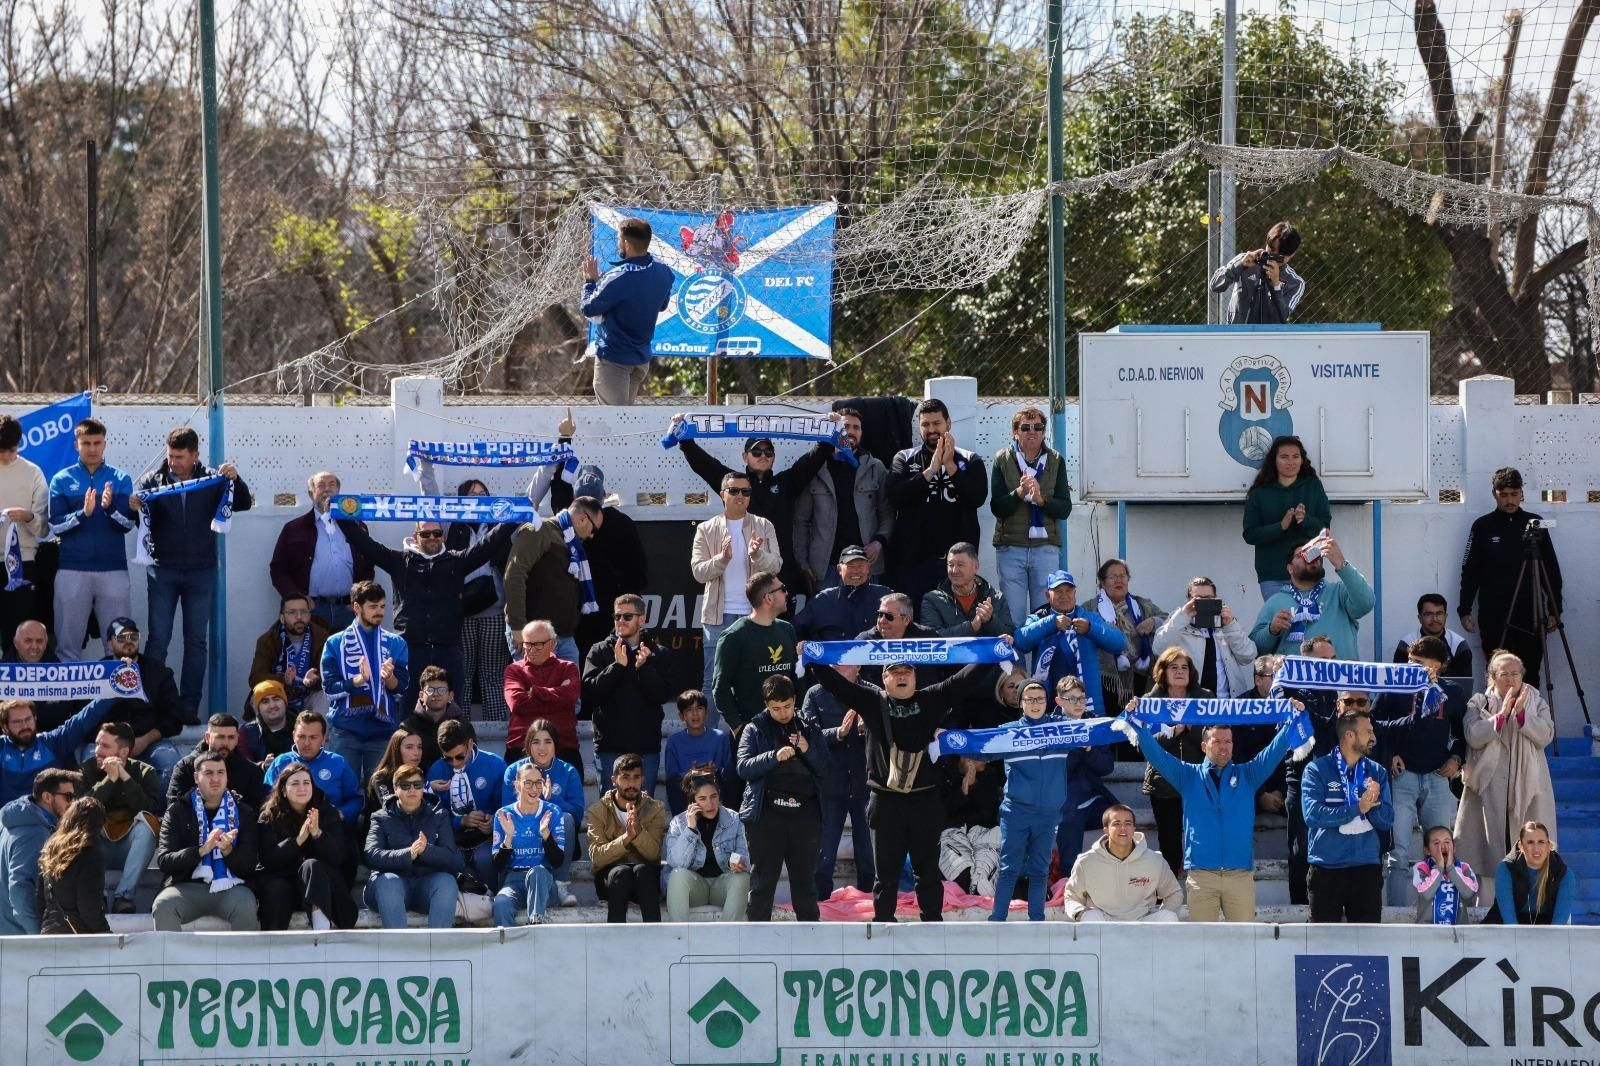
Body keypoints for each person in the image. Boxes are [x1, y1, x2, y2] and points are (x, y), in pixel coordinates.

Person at [810, 659, 993, 922]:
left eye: (907, 671)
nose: (901, 676)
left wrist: (994, 652)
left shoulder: (931, 699)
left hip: (925, 800)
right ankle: (884, 925)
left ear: (916, 677)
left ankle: (932, 926)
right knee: (884, 876)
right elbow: (836, 684)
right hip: (885, 802)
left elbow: (963, 680)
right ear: (884, 679)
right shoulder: (871, 700)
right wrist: (815, 658)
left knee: (928, 873)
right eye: (894, 672)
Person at [1125, 696, 1304, 921]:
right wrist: (1136, 722)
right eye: (1217, 741)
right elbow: (1156, 755)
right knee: (1203, 946)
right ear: (1204, 745)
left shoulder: (1248, 775)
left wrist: (1293, 718)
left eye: (1228, 741)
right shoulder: (1188, 775)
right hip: (1201, 875)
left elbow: (1275, 750)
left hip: (1239, 874)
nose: (1224, 747)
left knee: (1244, 943)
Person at [338, 516, 518, 711]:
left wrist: (517, 515)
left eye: (437, 533)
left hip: (448, 649)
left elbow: (489, 543)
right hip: (410, 650)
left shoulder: (456, 561)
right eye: (425, 534)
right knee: (406, 713)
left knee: (452, 714)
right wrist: (339, 515)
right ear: (415, 536)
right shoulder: (399, 561)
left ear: (443, 537)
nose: (432, 537)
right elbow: (365, 544)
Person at [134, 426, 252, 720]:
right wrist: (134, 506)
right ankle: (153, 703)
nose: (174, 462)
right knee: (158, 640)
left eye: (180, 457)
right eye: (171, 456)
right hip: (162, 570)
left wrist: (236, 479)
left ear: (195, 455)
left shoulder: (212, 479)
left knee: (196, 641)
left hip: (201, 571)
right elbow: (141, 525)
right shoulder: (152, 480)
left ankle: (188, 707)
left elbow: (243, 503)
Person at [672, 416, 834, 600]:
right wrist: (685, 440)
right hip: (742, 572)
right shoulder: (734, 484)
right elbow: (705, 465)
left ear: (774, 457)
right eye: (756, 452)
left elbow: (812, 460)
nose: (763, 456)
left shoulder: (787, 483)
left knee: (780, 626)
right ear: (745, 456)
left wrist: (829, 430)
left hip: (779, 571)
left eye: (768, 452)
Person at [1454, 650, 1557, 910]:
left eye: (1515, 674)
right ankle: (1487, 911)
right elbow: (1473, 735)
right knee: (1488, 855)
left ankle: (1531, 909)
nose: (1510, 679)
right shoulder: (1479, 703)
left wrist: (1522, 715)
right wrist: (1500, 717)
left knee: (1531, 852)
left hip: (1529, 789)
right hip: (1488, 790)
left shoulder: (1536, 701)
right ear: (1492, 677)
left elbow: (1545, 735)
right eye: (1504, 674)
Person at [1376, 636, 1466, 907]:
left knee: (1441, 852)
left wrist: (1457, 758)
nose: (1410, 666)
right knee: (1398, 853)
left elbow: (1464, 735)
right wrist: (1390, 754)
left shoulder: (1453, 692)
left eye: (1418, 662)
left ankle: (1438, 911)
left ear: (1438, 666)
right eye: (1409, 661)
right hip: (1401, 778)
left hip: (1438, 778)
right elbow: (1375, 725)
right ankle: (1396, 914)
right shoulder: (1393, 688)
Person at [737, 675, 832, 921]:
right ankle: (758, 946)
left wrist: (807, 749)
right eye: (775, 708)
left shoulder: (810, 727)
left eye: (787, 706)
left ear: (795, 700)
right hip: (766, 815)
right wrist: (773, 756)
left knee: (805, 884)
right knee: (762, 884)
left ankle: (811, 944)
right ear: (766, 705)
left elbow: (826, 769)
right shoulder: (754, 728)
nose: (782, 713)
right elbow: (743, 767)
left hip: (805, 815)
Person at [1459, 467, 1564, 689]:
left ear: (1522, 493)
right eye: (1503, 494)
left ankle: (1530, 722)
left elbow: (1551, 571)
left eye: (1514, 494)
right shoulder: (1482, 526)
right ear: (1494, 494)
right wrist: (1464, 608)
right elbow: (1470, 570)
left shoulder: (1535, 523)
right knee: (1499, 673)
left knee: (1530, 674)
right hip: (1494, 615)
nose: (1509, 500)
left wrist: (1555, 609)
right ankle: (1500, 722)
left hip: (1531, 613)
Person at [692, 472, 782, 729]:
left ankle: (760, 737)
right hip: (717, 618)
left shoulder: (764, 525)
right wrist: (722, 558)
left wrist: (757, 555)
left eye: (746, 491)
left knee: (760, 679)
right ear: (722, 494)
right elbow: (698, 572)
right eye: (734, 491)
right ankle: (709, 743)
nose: (740, 496)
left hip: (756, 616)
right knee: (713, 681)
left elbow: (775, 566)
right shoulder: (706, 529)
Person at [977, 679, 1073, 922]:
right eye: (1029, 699)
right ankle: (998, 919)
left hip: (1049, 813)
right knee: (1009, 867)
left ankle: (1037, 920)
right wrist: (946, 740)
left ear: (1048, 702)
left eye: (1040, 698)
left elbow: (1092, 727)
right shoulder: (1009, 731)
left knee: (1040, 869)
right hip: (1016, 811)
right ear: (1020, 703)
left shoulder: (1061, 728)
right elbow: (979, 747)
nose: (1035, 703)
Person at [47, 417, 136, 660]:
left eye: (97, 442)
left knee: (120, 647)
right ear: (76, 444)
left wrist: (108, 509)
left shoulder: (121, 478)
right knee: (68, 646)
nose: (92, 448)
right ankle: (68, 699)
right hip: (72, 570)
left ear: (105, 444)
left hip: (113, 571)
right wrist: (83, 514)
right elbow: (55, 526)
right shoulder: (61, 480)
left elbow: (128, 524)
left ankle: (118, 698)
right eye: (86, 443)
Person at [547, 450, 649, 658]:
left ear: (575, 498)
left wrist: (564, 441)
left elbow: (557, 491)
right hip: (613, 615)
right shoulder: (623, 524)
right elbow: (640, 575)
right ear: (604, 495)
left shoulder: (566, 521)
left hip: (577, 615)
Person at [888, 398, 987, 610]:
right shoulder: (904, 459)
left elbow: (977, 498)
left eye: (937, 423)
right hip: (913, 562)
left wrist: (950, 466)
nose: (931, 430)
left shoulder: (970, 460)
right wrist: (930, 471)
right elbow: (895, 496)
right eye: (925, 424)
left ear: (948, 424)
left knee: (956, 621)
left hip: (955, 564)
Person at [1302, 708, 1394, 923]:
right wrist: (1357, 808)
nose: (1373, 737)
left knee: (1367, 948)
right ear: (1350, 736)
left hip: (1366, 869)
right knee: (1322, 946)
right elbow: (1312, 815)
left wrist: (1375, 805)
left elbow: (1387, 820)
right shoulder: (1316, 769)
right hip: (1326, 868)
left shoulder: (1377, 771)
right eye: (1368, 732)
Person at [153, 751, 260, 931]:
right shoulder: (177, 811)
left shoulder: (244, 812)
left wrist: (228, 852)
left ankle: (242, 959)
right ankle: (171, 960)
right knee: (163, 905)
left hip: (231, 887)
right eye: (209, 773)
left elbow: (249, 865)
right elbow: (164, 861)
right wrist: (201, 850)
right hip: (187, 885)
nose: (216, 779)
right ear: (196, 777)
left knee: (246, 905)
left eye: (221, 773)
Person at [792, 407, 894, 590]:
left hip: (866, 565)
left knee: (868, 618)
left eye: (857, 427)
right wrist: (803, 564)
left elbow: (888, 513)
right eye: (845, 426)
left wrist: (879, 542)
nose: (852, 431)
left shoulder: (875, 467)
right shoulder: (815, 468)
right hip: (825, 567)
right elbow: (801, 521)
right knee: (827, 619)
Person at [320, 580, 410, 784]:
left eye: (382, 607)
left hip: (382, 731)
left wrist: (390, 679)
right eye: (372, 607)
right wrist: (358, 680)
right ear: (356, 607)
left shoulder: (396, 643)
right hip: (345, 731)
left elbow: (403, 689)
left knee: (380, 794)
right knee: (342, 790)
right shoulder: (335, 643)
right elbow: (329, 689)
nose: (379, 612)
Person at [582, 215, 674, 404]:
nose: (618, 245)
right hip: (640, 360)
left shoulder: (618, 276)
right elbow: (662, 304)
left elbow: (588, 308)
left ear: (626, 244)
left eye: (618, 241)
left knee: (614, 424)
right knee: (626, 418)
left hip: (614, 359)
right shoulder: (664, 273)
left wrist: (590, 282)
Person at [990, 406, 1072, 619]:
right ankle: (1016, 655)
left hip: (1045, 549)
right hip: (1011, 548)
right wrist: (1019, 493)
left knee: (1045, 618)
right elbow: (997, 507)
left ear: (1044, 432)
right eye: (1025, 427)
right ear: (1014, 432)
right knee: (1014, 618)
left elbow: (1065, 508)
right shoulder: (1002, 459)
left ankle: (1042, 654)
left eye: (1038, 427)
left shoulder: (1055, 460)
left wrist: (1041, 500)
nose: (1032, 431)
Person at [584, 594, 671, 796]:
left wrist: (645, 668)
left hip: (646, 747)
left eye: (627, 616)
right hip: (609, 747)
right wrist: (617, 667)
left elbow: (662, 695)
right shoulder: (599, 651)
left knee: (645, 814)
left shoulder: (659, 653)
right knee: (610, 814)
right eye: (617, 616)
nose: (620, 621)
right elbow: (589, 694)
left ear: (642, 619)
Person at [503, 497, 604, 668]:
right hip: (533, 638)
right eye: (593, 529)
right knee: (534, 694)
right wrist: (518, 627)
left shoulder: (572, 545)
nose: (592, 535)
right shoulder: (540, 530)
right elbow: (514, 575)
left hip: (564, 637)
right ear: (582, 519)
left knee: (571, 695)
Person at [255, 761, 356, 930]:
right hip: (285, 885)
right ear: (283, 790)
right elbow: (267, 860)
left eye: (306, 783)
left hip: (322, 886)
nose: (302, 788)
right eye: (295, 783)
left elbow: (338, 858)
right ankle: (272, 947)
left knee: (312, 866)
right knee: (276, 888)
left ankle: (321, 930)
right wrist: (298, 841)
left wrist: (317, 834)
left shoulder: (327, 812)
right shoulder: (268, 816)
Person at [268, 471, 373, 632]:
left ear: (338, 491)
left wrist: (360, 597)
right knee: (312, 657)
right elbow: (278, 569)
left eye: (332, 485)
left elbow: (368, 565)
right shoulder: (294, 529)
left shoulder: (357, 527)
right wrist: (297, 597)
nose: (327, 490)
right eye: (321, 485)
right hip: (312, 611)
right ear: (311, 494)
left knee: (349, 656)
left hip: (349, 610)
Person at [445, 478, 514, 722]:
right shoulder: (455, 526)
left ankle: (496, 724)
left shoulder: (498, 527)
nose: (480, 498)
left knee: (493, 674)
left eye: (484, 493)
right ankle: (459, 725)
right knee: (462, 673)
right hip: (463, 612)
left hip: (494, 610)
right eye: (473, 494)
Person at [801, 667, 872, 900]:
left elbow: (890, 734)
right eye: (834, 663)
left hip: (865, 781)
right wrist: (838, 733)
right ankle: (820, 901)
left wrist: (867, 728)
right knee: (825, 848)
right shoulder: (815, 694)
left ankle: (870, 899)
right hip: (830, 782)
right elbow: (806, 738)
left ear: (858, 666)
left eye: (845, 662)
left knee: (867, 848)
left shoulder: (872, 692)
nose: (837, 667)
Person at [363, 763, 463, 929]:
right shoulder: (380, 817)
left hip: (423, 888)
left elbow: (451, 858)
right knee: (390, 882)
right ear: (395, 788)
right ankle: (399, 951)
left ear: (423, 787)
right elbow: (371, 855)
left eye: (417, 785)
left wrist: (425, 851)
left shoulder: (439, 815)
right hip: (387, 889)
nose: (412, 790)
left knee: (446, 882)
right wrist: (408, 854)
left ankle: (438, 948)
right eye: (405, 785)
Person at [1137, 647, 1208, 878]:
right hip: (1163, 781)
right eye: (1174, 667)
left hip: (1198, 778)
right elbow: (1143, 745)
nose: (1180, 672)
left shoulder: (1205, 698)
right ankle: (1170, 890)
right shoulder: (1148, 702)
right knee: (1169, 838)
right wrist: (1174, 730)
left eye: (1184, 667)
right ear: (1163, 672)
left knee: (1201, 834)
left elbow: (1217, 739)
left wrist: (1192, 726)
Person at [78, 721, 160, 914]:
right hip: (99, 849)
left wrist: (125, 777)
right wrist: (109, 779)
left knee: (147, 826)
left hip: (130, 850)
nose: (97, 750)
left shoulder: (145, 772)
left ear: (123, 752)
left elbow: (150, 809)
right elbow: (80, 811)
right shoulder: (86, 770)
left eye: (105, 746)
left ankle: (124, 897)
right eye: (97, 744)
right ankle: (97, 895)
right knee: (86, 821)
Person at [1012, 571, 1122, 716]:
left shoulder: (1089, 618)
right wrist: (1051, 623)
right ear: (1047, 596)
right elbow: (1020, 642)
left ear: (1075, 593)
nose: (1064, 595)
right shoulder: (1038, 618)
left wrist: (1091, 629)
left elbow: (1119, 643)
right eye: (1058, 591)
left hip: (1086, 705)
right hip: (1047, 705)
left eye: (1069, 590)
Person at [1251, 534, 1374, 660]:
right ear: (1290, 568)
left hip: (1340, 677)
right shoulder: (1275, 602)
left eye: (1313, 553)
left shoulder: (1339, 592)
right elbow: (1255, 649)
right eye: (1301, 555)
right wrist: (1271, 630)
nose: (1309, 558)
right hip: (1296, 679)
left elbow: (1367, 603)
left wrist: (1342, 564)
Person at [501, 720, 583, 907]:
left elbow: (577, 814)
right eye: (536, 742)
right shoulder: (513, 771)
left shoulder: (568, 771)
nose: (542, 748)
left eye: (548, 741)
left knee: (567, 818)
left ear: (555, 745)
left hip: (553, 834)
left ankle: (560, 884)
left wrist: (551, 800)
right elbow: (506, 811)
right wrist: (534, 802)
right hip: (522, 830)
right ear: (528, 745)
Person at [99, 616, 185, 791]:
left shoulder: (158, 672)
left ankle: (156, 816)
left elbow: (175, 718)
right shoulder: (96, 671)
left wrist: (145, 740)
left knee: (169, 761)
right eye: (121, 638)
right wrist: (113, 744)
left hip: (148, 741)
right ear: (110, 643)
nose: (128, 642)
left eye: (133, 636)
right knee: (89, 759)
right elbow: (85, 718)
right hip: (108, 742)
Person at [1241, 434, 1330, 601]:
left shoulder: (1313, 486)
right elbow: (1250, 534)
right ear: (1274, 460)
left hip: (1309, 572)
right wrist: (1280, 526)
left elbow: (1325, 529)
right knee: (1282, 622)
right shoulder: (1259, 492)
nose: (1291, 462)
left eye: (1296, 456)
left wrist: (1306, 520)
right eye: (1284, 457)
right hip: (1273, 575)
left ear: (1302, 460)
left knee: (1311, 623)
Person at [1063, 804, 1183, 923]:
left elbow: (1174, 892)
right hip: (1103, 922)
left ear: (1134, 828)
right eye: (1116, 824)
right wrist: (1080, 912)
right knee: (1090, 917)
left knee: (1168, 917)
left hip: (1143, 922)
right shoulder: (1086, 861)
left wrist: (1165, 910)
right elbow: (1071, 896)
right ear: (1106, 830)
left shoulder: (1155, 860)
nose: (1123, 828)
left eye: (1128, 823)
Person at [711, 571, 798, 734]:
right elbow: (720, 687)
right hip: (752, 732)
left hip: (789, 730)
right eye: (782, 589)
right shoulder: (734, 636)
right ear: (768, 598)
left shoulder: (787, 630)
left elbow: (796, 677)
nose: (787, 593)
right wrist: (738, 727)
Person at [426, 719, 508, 890]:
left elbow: (507, 806)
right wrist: (460, 821)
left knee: (487, 860)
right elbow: (432, 817)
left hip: (487, 839)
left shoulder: (495, 764)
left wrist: (493, 821)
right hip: (452, 841)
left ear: (470, 744)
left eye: (460, 756)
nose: (455, 763)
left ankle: (493, 901)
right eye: (447, 758)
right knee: (449, 861)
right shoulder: (436, 770)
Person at [585, 753, 667, 922]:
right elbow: (597, 857)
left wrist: (638, 833)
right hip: (611, 878)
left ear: (642, 779)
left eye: (636, 778)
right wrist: (626, 838)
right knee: (621, 873)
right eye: (626, 777)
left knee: (642, 871)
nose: (631, 784)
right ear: (614, 780)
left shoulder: (655, 808)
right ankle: (616, 940)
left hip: (644, 878)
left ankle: (656, 938)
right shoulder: (597, 810)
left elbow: (654, 854)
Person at [0, 767, 81, 934]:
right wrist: (37, 937)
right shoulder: (34, 833)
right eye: (68, 797)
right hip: (19, 936)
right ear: (46, 797)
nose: (73, 803)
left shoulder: (16, 821)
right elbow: (20, 888)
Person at [664, 770, 751, 921]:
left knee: (742, 878)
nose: (710, 804)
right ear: (693, 802)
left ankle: (728, 935)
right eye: (702, 799)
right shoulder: (679, 823)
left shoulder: (734, 820)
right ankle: (680, 937)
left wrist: (739, 862)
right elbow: (677, 863)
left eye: (713, 796)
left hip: (722, 885)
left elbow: (746, 857)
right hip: (695, 887)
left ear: (719, 795)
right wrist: (690, 829)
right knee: (677, 875)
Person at [1052, 676, 1118, 870]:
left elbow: (1107, 767)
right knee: (1070, 816)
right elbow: (1056, 772)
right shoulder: (1048, 727)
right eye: (1071, 698)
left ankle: (1121, 876)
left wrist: (1089, 749)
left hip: (1093, 798)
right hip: (1061, 802)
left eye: (1081, 698)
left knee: (1122, 818)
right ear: (1059, 701)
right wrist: (1075, 745)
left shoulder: (1096, 724)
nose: (1078, 703)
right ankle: (1068, 878)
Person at [491, 761, 568, 926]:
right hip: (514, 880)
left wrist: (546, 834)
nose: (534, 789)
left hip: (544, 881)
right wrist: (509, 836)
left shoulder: (552, 812)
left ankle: (535, 926)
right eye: (528, 783)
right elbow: (498, 866)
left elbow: (557, 861)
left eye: (538, 783)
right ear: (517, 785)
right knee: (501, 904)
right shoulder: (504, 814)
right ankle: (508, 949)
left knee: (537, 872)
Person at [1154, 576, 1256, 699]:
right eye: (1197, 599)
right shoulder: (1178, 622)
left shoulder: (1226, 624)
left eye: (1208, 599)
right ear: (1188, 600)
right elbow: (1159, 649)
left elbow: (1248, 656)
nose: (1203, 603)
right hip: (1193, 702)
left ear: (1215, 599)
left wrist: (1230, 625)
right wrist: (1183, 616)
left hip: (1226, 703)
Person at [0, 694, 112, 804]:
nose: (24, 726)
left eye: (28, 719)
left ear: (35, 718)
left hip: (48, 821)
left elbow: (86, 717)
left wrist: (114, 690)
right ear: (5, 727)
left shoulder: (52, 742)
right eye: (17, 722)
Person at [0, 413, 49, 655]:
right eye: (1, 450)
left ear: (18, 444)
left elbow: (43, 529)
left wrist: (29, 517)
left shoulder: (33, 473)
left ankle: (18, 694)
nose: (7, 456)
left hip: (23, 564)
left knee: (19, 635)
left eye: (10, 450)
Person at [1092, 559, 1167, 714]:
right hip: (1107, 679)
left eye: (1123, 576)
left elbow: (1168, 619)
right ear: (1102, 582)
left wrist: (1154, 621)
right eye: (1113, 577)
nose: (1119, 580)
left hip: (1140, 676)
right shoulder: (1091, 607)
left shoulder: (1142, 604)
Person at [263, 711, 363, 827]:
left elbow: (355, 799)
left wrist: (340, 814)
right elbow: (267, 798)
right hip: (289, 828)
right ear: (293, 735)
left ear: (323, 738)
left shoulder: (337, 762)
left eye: (313, 737)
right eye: (301, 736)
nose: (307, 743)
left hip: (329, 828)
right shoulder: (281, 762)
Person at [504, 620, 580, 766]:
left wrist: (534, 692)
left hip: (563, 746)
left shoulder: (568, 668)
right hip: (521, 747)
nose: (532, 649)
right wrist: (558, 692)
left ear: (553, 643)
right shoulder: (513, 670)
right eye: (527, 644)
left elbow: (570, 699)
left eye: (538, 644)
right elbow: (517, 704)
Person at [247, 594, 330, 718]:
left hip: (308, 694)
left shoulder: (322, 637)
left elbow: (330, 674)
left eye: (303, 612)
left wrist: (314, 680)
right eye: (292, 613)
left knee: (325, 696)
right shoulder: (268, 640)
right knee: (258, 694)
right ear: (282, 618)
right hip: (279, 694)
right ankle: (271, 736)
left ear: (310, 615)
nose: (299, 617)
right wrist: (283, 679)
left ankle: (317, 736)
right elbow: (256, 678)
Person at [36, 796, 111, 934]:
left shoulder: (51, 846)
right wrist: (107, 934)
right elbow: (89, 907)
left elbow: (40, 898)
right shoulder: (91, 852)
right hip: (78, 938)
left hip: (49, 931)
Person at [1209, 220, 1304, 324]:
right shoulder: (1247, 260)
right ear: (1267, 242)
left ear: (1292, 254)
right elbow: (1214, 285)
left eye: (1280, 255)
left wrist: (1276, 286)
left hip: (1267, 337)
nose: (1273, 256)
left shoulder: (1295, 282)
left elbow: (1281, 317)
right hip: (1236, 334)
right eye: (1271, 249)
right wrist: (1239, 266)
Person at [794, 545, 891, 643]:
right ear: (839, 569)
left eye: (860, 566)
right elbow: (794, 630)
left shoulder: (885, 597)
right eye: (850, 566)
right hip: (831, 658)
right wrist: (802, 644)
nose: (856, 571)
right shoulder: (822, 600)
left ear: (868, 568)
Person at [167, 713, 266, 808]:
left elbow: (257, 812)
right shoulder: (186, 767)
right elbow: (173, 808)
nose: (225, 743)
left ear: (237, 739)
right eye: (220, 737)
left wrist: (234, 803)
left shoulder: (251, 771)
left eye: (231, 737)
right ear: (207, 737)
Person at [1485, 821, 1575, 925]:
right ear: (1521, 846)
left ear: (1548, 846)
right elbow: (1509, 920)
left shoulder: (1563, 874)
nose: (1536, 849)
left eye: (1541, 842)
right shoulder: (1506, 869)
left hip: (1546, 929)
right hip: (1505, 928)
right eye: (1530, 842)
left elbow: (1559, 923)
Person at [3, 619, 86, 730]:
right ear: (16, 643)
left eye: (39, 641)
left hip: (52, 738)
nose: (34, 646)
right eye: (28, 641)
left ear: (46, 644)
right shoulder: (2, 674)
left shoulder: (64, 676)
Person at [920, 542, 1014, 638]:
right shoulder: (932, 600)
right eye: (950, 565)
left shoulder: (996, 598)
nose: (954, 570)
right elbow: (931, 638)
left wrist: (990, 621)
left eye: (960, 565)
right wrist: (971, 627)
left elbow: (1010, 635)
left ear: (976, 567)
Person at [661, 691, 732, 818]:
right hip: (687, 789)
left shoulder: (720, 737)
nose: (695, 714)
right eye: (689, 710)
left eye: (699, 709)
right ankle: (681, 822)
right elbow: (672, 775)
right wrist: (690, 774)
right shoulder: (674, 741)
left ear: (707, 713)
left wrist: (714, 769)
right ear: (682, 716)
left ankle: (727, 820)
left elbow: (726, 771)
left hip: (713, 786)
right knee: (673, 782)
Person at [854, 592, 944, 688]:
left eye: (889, 616)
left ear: (906, 620)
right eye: (880, 614)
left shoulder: (929, 638)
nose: (882, 621)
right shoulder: (864, 642)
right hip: (876, 700)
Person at [400, 665, 465, 770]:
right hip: (417, 783)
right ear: (421, 695)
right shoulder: (408, 727)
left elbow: (470, 761)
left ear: (450, 695)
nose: (436, 694)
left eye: (442, 690)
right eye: (430, 690)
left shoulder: (463, 726)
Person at [1393, 594, 1472, 678]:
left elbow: (1464, 684)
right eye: (1428, 614)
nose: (1434, 618)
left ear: (1446, 616)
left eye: (1439, 613)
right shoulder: (1407, 643)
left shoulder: (1459, 645)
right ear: (1419, 618)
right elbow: (1398, 678)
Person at [1412, 826, 1479, 925]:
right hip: (1427, 933)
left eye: (1447, 842)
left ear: (1454, 847)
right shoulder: (1421, 867)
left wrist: (1451, 868)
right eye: (1436, 843)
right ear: (1427, 850)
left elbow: (1469, 893)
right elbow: (1426, 893)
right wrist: (1439, 868)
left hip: (1457, 934)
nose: (1443, 847)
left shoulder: (1464, 867)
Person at [367, 726, 428, 812]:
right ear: (396, 750)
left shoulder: (423, 772)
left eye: (419, 747)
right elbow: (390, 808)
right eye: (409, 747)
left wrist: (430, 789)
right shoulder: (381, 777)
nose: (416, 752)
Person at [241, 680, 294, 766]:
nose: (272, 705)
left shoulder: (302, 727)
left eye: (276, 699)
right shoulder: (247, 733)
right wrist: (263, 767)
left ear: (285, 702)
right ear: (258, 708)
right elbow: (243, 768)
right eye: (265, 701)